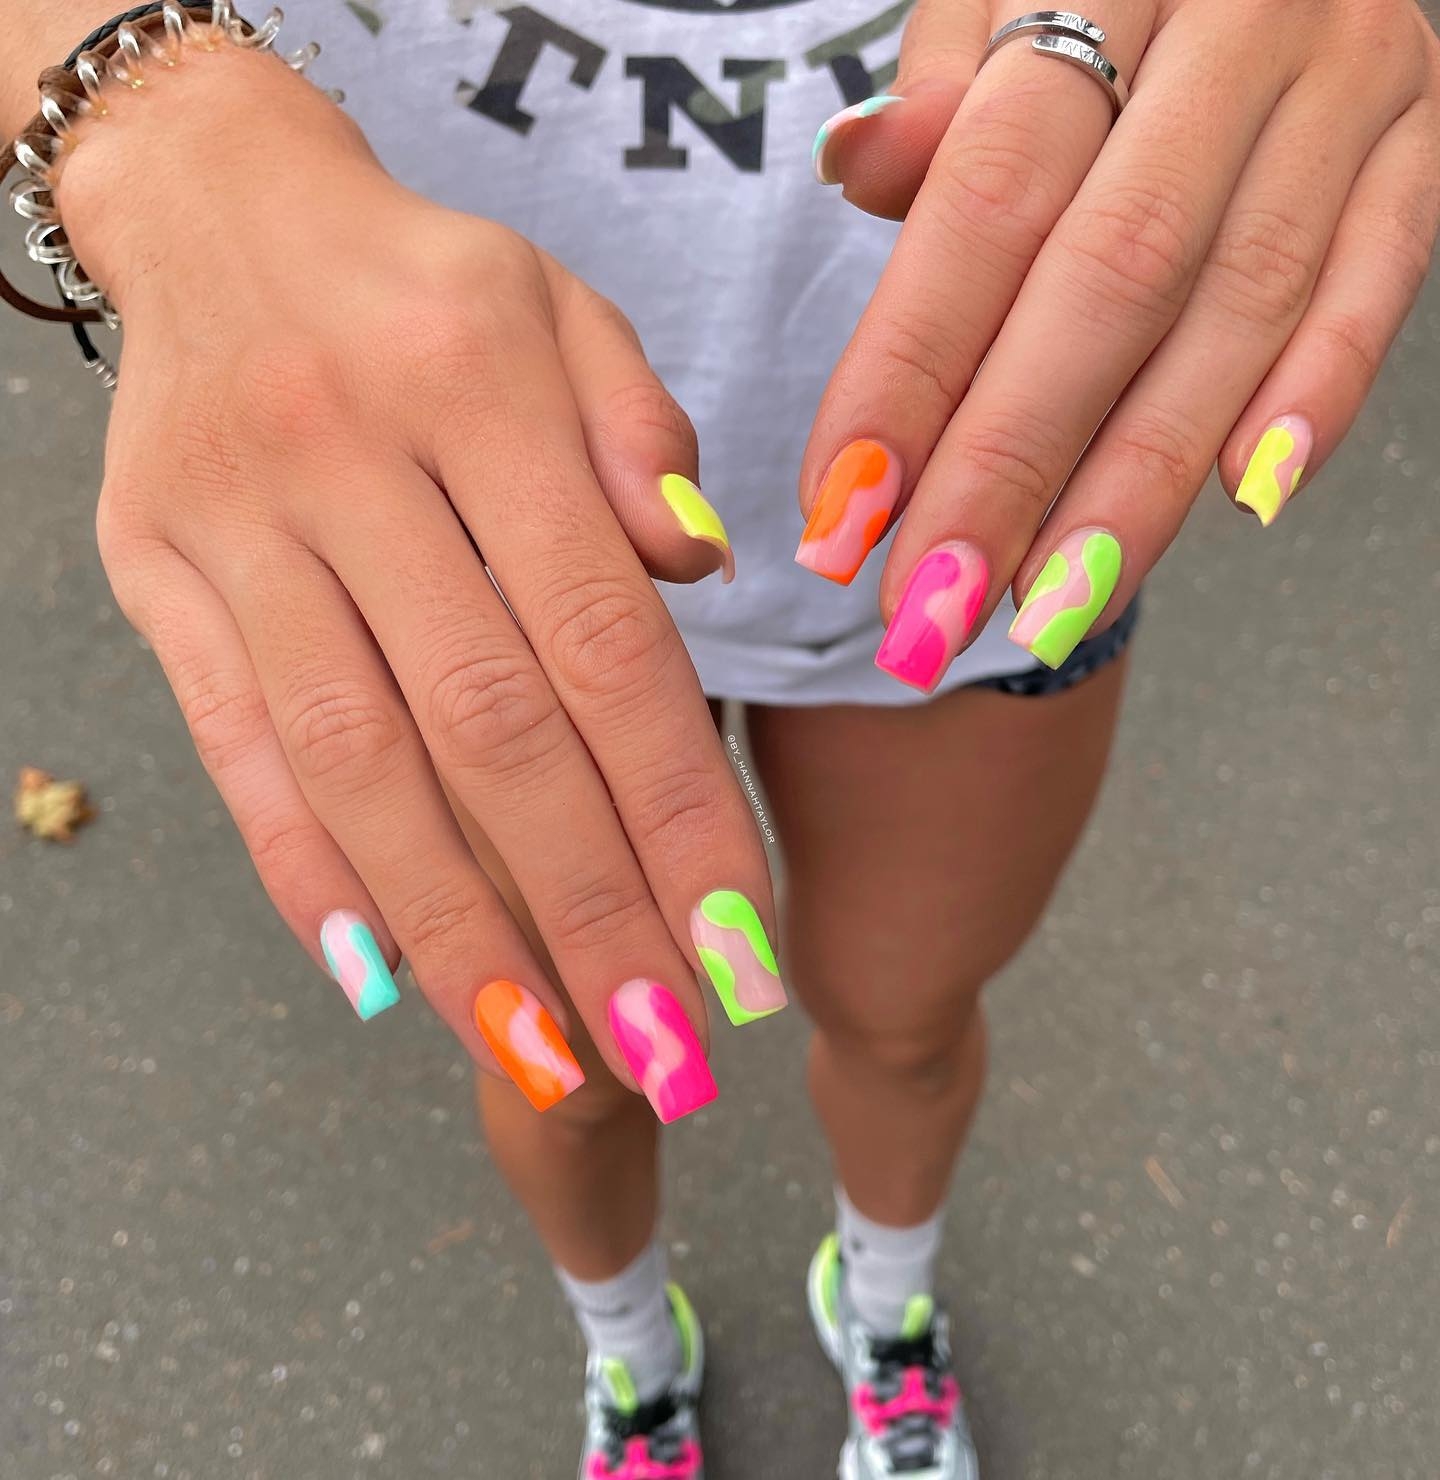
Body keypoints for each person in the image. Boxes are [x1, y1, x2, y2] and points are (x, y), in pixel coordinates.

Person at [4, 2, 1436, 1476]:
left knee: (905, 1021)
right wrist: (156, 128)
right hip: (442, 513)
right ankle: (632, 1358)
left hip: (987, 504)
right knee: (571, 1072)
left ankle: (887, 1314)